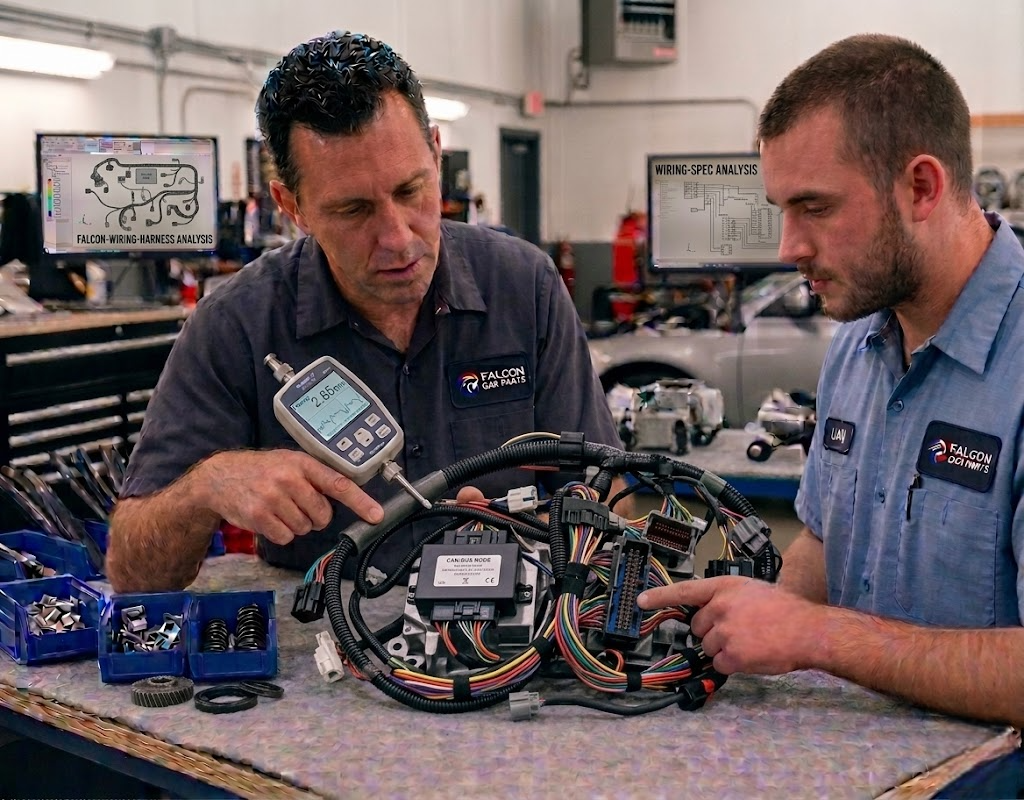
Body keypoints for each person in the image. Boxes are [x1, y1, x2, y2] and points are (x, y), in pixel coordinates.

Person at [105, 30, 620, 592]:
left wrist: (542, 535)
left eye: (410, 190)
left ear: (436, 153)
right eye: (353, 210)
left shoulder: (525, 287)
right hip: (325, 653)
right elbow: (133, 573)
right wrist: (206, 485)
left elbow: (609, 491)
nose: (398, 239)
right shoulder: (237, 325)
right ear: (291, 206)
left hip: (509, 638)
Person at [639, 33, 1024, 728]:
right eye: (780, 210)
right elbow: (822, 540)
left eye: (814, 208)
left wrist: (815, 637)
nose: (789, 247)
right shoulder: (857, 340)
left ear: (922, 187)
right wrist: (750, 619)